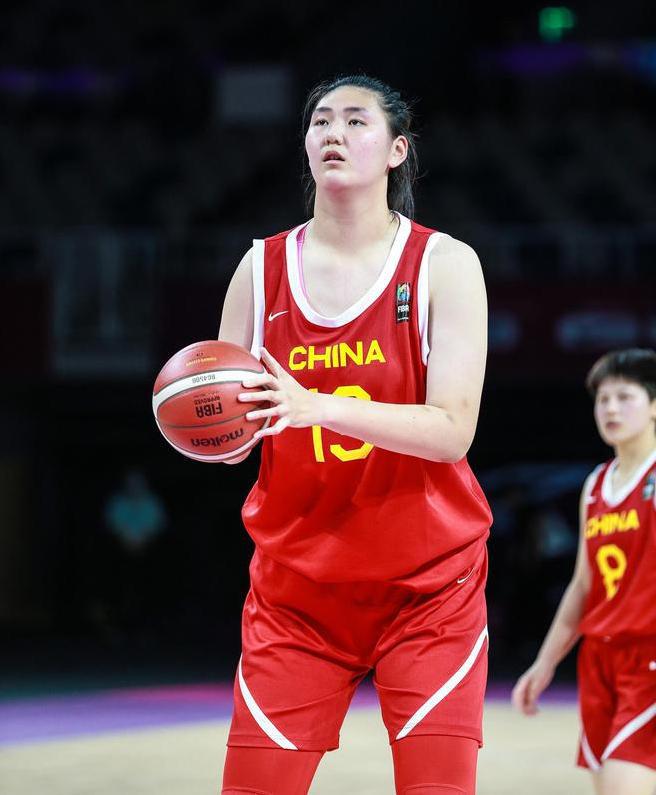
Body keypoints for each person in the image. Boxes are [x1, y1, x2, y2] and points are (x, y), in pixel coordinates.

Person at [218, 74, 492, 795]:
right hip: (297, 592)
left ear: (398, 149)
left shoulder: (446, 264)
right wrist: (206, 425)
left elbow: (451, 431)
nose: (333, 133)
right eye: (320, 121)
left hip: (428, 587)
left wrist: (316, 406)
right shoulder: (260, 269)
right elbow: (233, 430)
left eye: (356, 120)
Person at [512, 349, 656, 795]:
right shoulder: (596, 484)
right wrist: (545, 663)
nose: (611, 408)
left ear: (654, 405)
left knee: (622, 785)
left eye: (625, 397)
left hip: (647, 656)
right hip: (600, 659)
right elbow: (582, 585)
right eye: (603, 399)